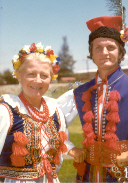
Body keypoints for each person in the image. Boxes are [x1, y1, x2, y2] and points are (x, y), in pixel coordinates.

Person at [57, 16, 128, 182]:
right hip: (88, 174)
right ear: (91, 53)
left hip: (125, 173)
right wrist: (70, 149)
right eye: (98, 47)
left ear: (120, 53)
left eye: (110, 47)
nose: (104, 52)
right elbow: (51, 122)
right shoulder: (79, 92)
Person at [0, 42, 86, 183]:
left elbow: (59, 141)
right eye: (31, 74)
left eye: (44, 75)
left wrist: (72, 149)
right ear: (19, 76)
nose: (38, 80)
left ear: (51, 79)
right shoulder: (7, 109)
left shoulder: (55, 110)